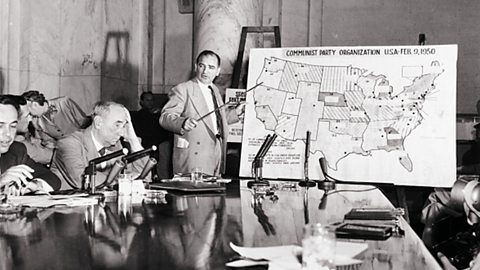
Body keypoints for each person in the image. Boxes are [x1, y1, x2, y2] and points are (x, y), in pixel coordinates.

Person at [159, 50, 244, 177]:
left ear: (218, 71)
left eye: (211, 67)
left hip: (215, 154)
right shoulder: (183, 89)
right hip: (194, 157)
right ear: (195, 67)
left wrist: (235, 113)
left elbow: (213, 120)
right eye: (201, 66)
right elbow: (165, 117)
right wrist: (182, 122)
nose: (205, 71)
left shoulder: (215, 90)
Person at [51, 101, 148, 190]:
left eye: (124, 126)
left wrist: (133, 140)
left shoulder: (116, 146)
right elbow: (84, 180)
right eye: (117, 125)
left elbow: (144, 178)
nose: (121, 132)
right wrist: (124, 182)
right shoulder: (69, 143)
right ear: (98, 123)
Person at [0, 95, 61, 195]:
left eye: (13, 126)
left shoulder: (16, 150)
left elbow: (52, 179)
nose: (8, 133)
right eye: (0, 126)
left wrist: (33, 185)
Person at [21, 90, 91, 148]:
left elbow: (85, 122)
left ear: (35, 105)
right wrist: (55, 144)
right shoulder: (35, 121)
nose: (29, 117)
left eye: (29, 112)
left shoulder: (64, 102)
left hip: (84, 144)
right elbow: (47, 141)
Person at [130, 91, 172, 179]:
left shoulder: (157, 115)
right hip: (144, 145)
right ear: (141, 102)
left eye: (151, 100)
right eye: (147, 100)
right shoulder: (138, 116)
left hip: (157, 144)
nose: (150, 102)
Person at [4, 95, 54, 165]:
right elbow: (50, 157)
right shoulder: (18, 145)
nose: (30, 119)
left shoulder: (19, 137)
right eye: (27, 116)